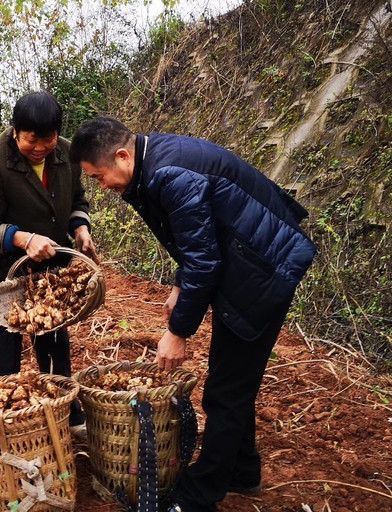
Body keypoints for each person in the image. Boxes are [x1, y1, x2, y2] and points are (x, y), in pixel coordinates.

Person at [69, 117, 317, 511]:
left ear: (121, 155)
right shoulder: (158, 158)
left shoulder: (169, 174)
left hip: (263, 268)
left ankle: (201, 495)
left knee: (224, 391)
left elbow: (204, 261)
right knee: (234, 379)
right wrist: (179, 286)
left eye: (100, 177)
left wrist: (178, 331)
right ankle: (243, 471)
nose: (104, 187)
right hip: (249, 257)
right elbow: (199, 235)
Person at [0, 91, 97, 434]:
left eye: (48, 139)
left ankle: (67, 416)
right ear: (14, 131)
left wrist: (80, 228)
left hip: (50, 278)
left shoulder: (66, 153)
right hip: (1, 283)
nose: (40, 148)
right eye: (31, 140)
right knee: (3, 364)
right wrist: (24, 239)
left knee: (56, 354)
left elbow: (77, 200)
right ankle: (3, 430)